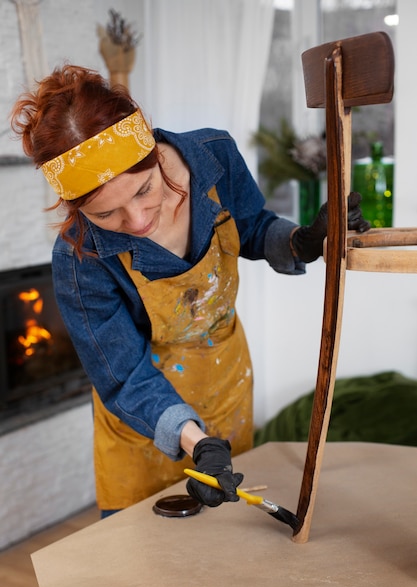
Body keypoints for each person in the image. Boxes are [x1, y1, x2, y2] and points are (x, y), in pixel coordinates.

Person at [10, 65, 369, 517]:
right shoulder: (79, 259)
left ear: (154, 154)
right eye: (106, 214)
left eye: (145, 189)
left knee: (224, 551)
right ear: (78, 210)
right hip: (143, 421)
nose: (138, 221)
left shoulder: (213, 158)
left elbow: (252, 226)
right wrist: (197, 443)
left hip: (225, 383)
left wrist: (300, 241)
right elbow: (124, 375)